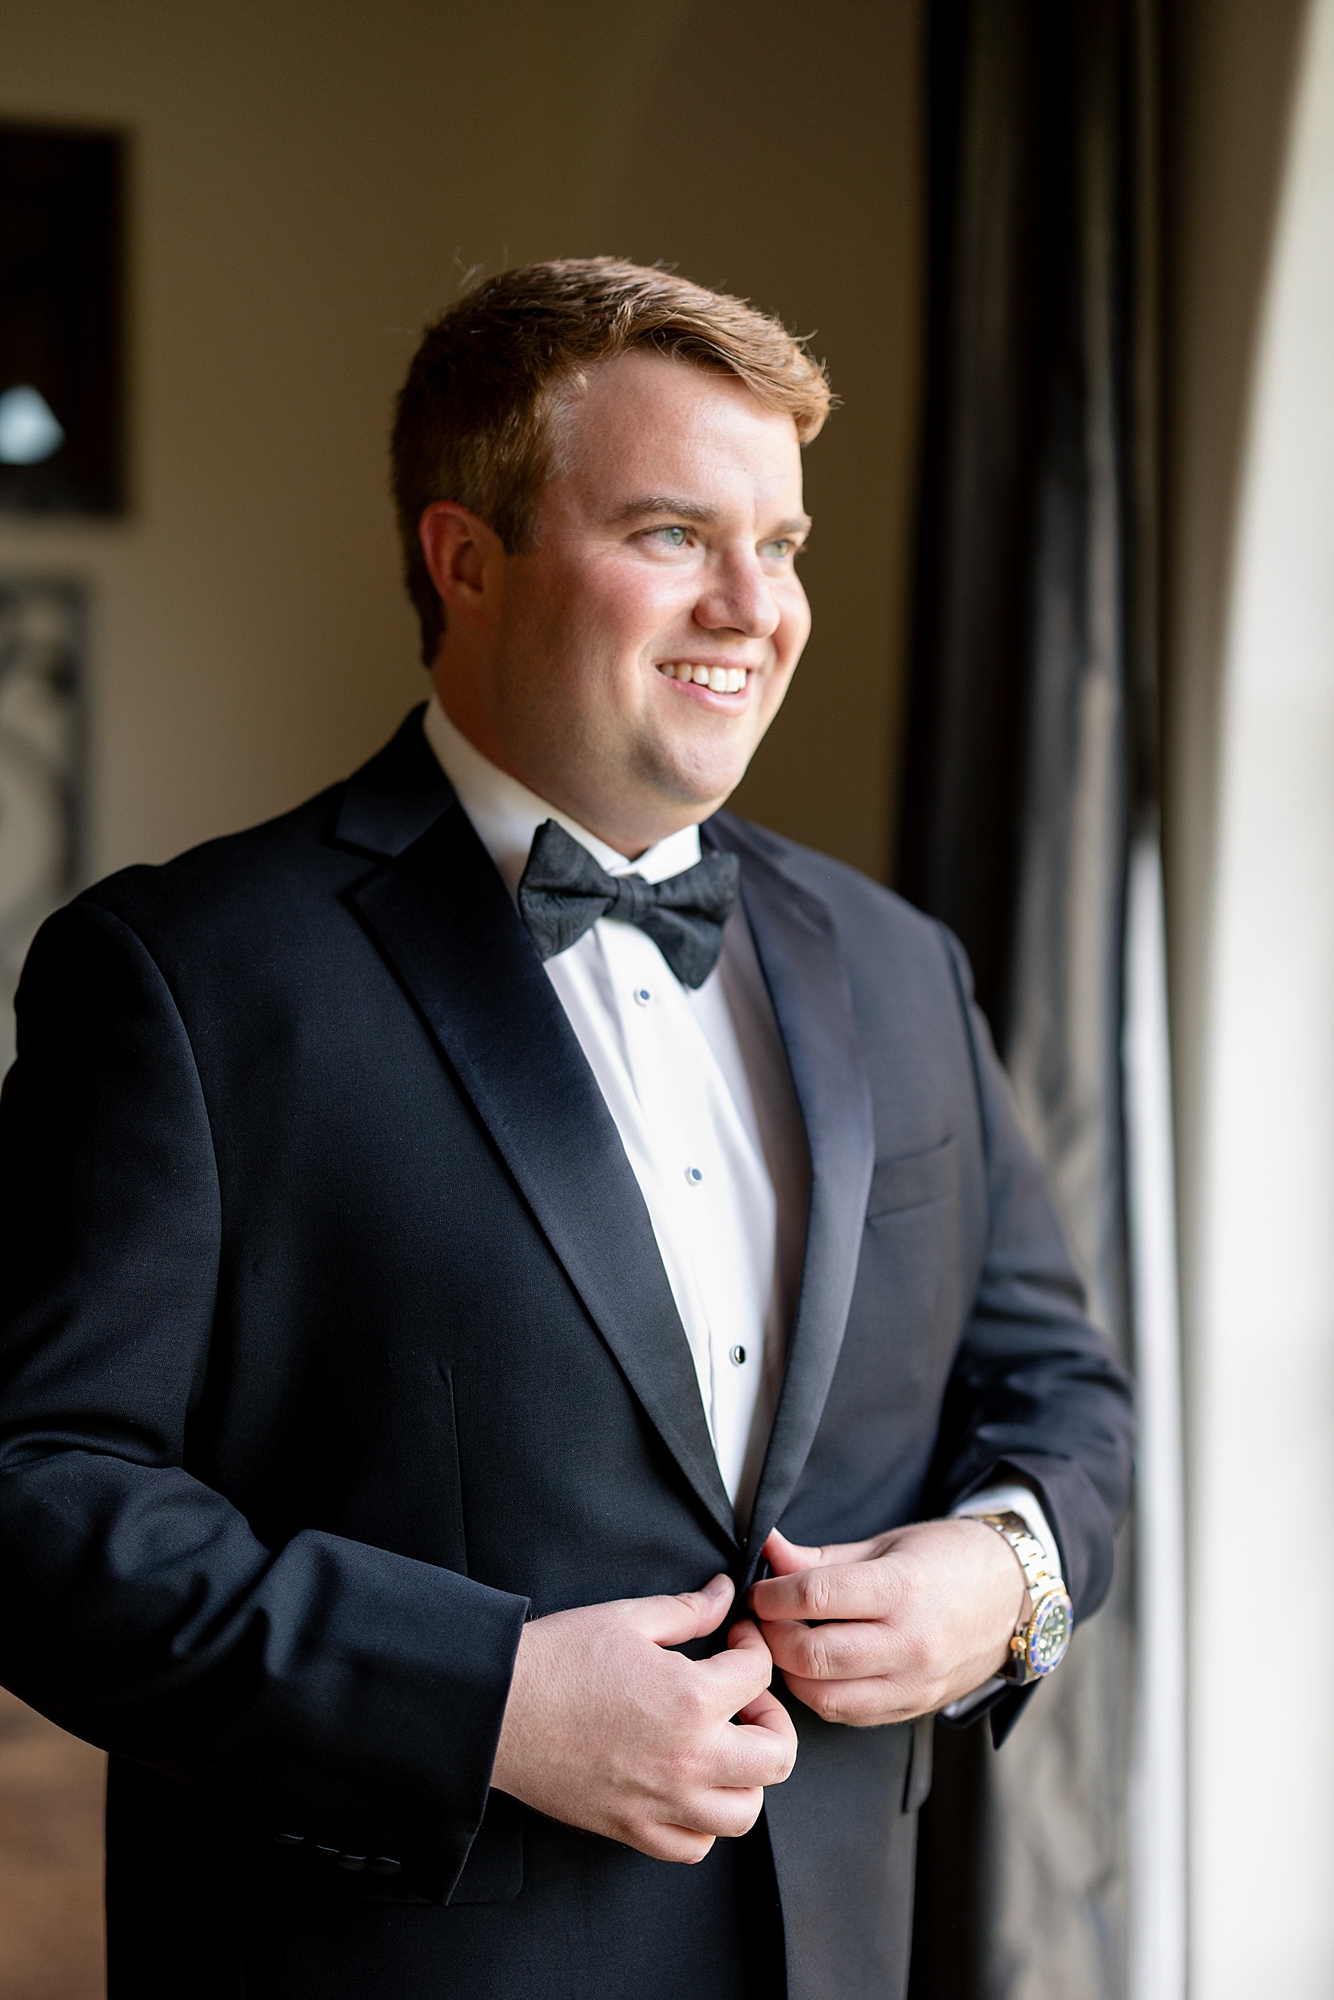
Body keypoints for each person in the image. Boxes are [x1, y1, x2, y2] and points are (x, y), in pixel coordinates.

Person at [0, 259, 1132, 2000]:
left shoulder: (904, 968)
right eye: (675, 534)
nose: (754, 606)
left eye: (787, 543)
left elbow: (1061, 1397)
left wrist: (1008, 1580)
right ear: (467, 560)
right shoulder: (178, 977)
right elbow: (40, 1494)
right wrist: (480, 1702)